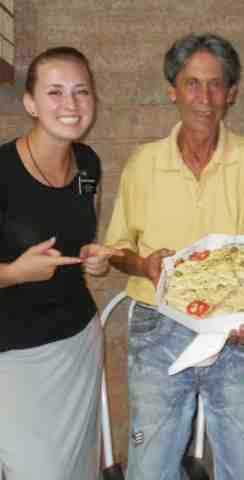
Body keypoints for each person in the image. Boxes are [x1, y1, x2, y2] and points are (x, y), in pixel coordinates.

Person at [105, 33, 244, 480]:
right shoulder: (143, 163)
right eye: (192, 84)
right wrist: (143, 265)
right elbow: (118, 251)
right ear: (173, 91)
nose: (204, 98)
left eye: (215, 84)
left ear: (231, 93)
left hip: (236, 327)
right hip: (158, 321)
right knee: (150, 467)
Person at [0, 47, 121, 480]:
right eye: (54, 92)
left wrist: (93, 258)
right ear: (30, 103)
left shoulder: (88, 163)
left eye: (81, 91)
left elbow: (83, 237)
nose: (70, 104)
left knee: (76, 470)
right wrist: (16, 273)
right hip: (14, 355)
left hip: (77, 342)